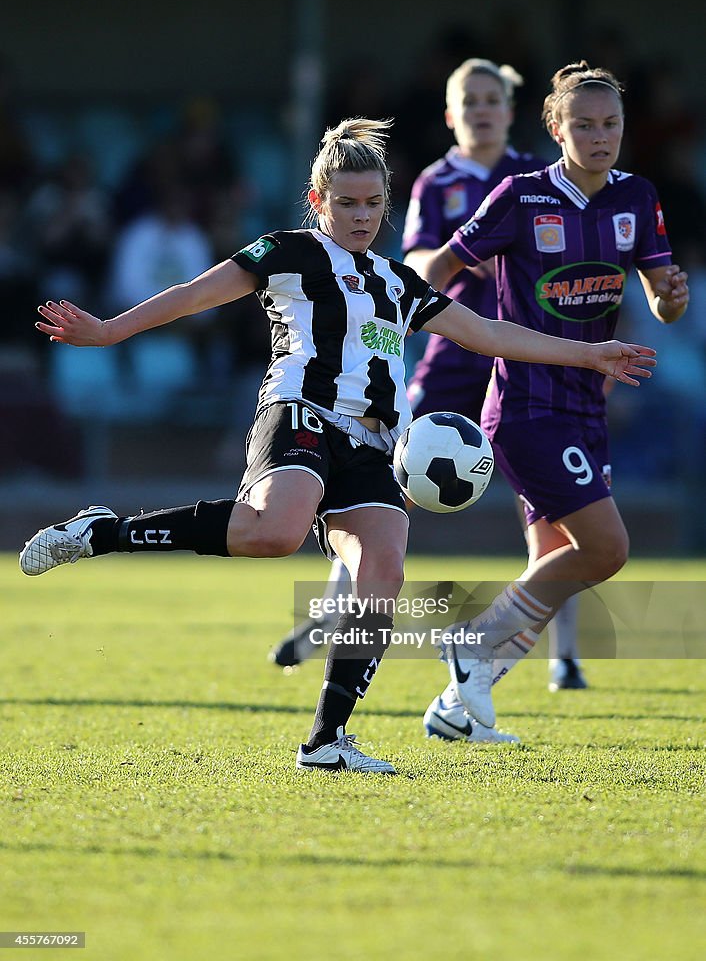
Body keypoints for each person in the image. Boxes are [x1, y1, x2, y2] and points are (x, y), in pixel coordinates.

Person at [20, 117, 657, 775]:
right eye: (346, 203)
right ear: (319, 200)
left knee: (382, 572)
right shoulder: (286, 252)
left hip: (374, 445)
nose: (361, 215)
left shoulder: (398, 281)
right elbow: (193, 295)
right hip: (301, 410)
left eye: (373, 203)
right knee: (274, 533)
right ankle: (104, 533)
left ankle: (326, 742)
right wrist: (108, 332)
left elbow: (490, 334)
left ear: (388, 204)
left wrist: (591, 354)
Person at [270, 58, 584, 718]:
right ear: (450, 114)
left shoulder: (537, 180)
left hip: (520, 350)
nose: (481, 111)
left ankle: (566, 650)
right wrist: (461, 256)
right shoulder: (436, 183)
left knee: (556, 503)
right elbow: (412, 264)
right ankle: (334, 612)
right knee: (384, 486)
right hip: (450, 347)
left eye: (491, 99)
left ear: (509, 108)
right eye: (468, 101)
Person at [415, 63, 689, 734]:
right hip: (525, 406)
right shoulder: (520, 197)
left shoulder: (636, 197)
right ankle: (470, 642)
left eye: (612, 124)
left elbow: (661, 301)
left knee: (552, 566)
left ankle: (461, 704)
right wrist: (432, 278)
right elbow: (432, 273)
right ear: (557, 129)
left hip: (587, 405)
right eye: (585, 125)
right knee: (606, 550)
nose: (601, 137)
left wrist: (670, 298)